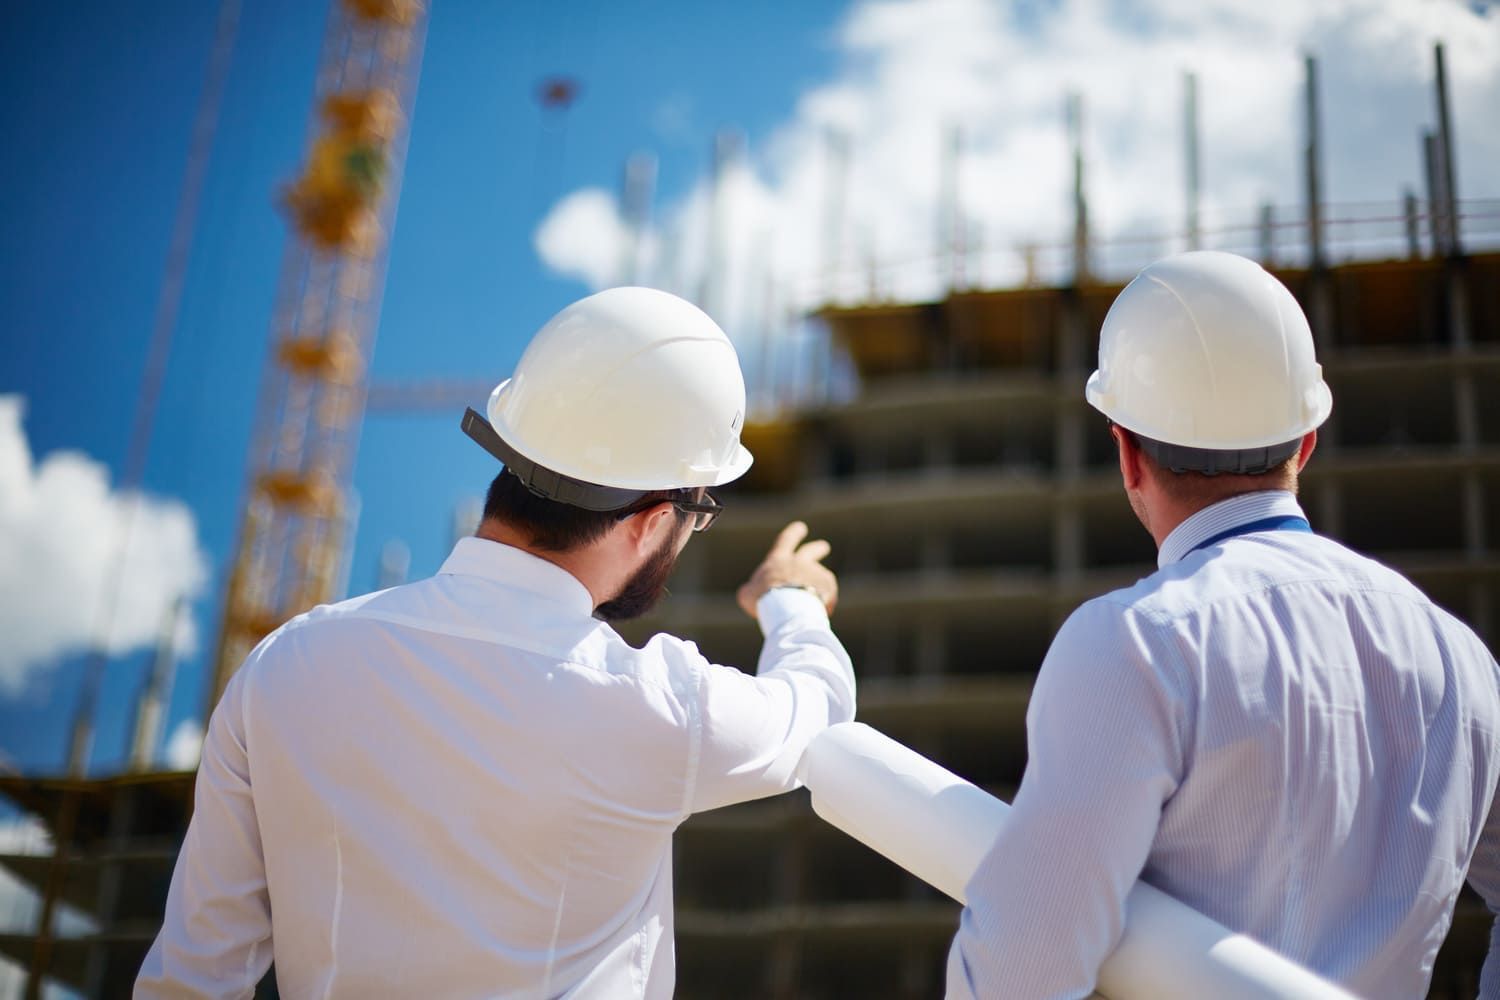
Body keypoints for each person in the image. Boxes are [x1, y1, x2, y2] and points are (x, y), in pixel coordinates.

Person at [137, 287, 854, 998]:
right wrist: (790, 599)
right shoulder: (657, 707)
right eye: (697, 516)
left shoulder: (284, 667)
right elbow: (816, 711)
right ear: (649, 520)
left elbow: (193, 981)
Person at [945, 251, 1500, 999]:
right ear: (1305, 444)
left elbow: (1021, 974)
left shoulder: (1136, 643)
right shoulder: (1461, 659)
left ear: (1127, 455)